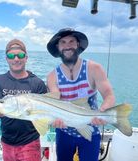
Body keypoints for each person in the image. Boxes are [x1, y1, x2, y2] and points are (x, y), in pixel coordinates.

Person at [46, 28, 115, 161]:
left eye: (72, 41)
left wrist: (103, 111)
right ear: (58, 47)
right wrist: (53, 119)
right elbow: (54, 101)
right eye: (63, 42)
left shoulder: (94, 68)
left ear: (78, 44)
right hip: (64, 131)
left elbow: (109, 94)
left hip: (91, 127)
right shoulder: (52, 76)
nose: (67, 46)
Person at [0, 39, 47, 161]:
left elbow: (45, 115)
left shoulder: (37, 83)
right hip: (6, 142)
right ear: (6, 59)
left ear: (26, 58)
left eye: (20, 55)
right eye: (11, 55)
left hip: (30, 142)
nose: (16, 59)